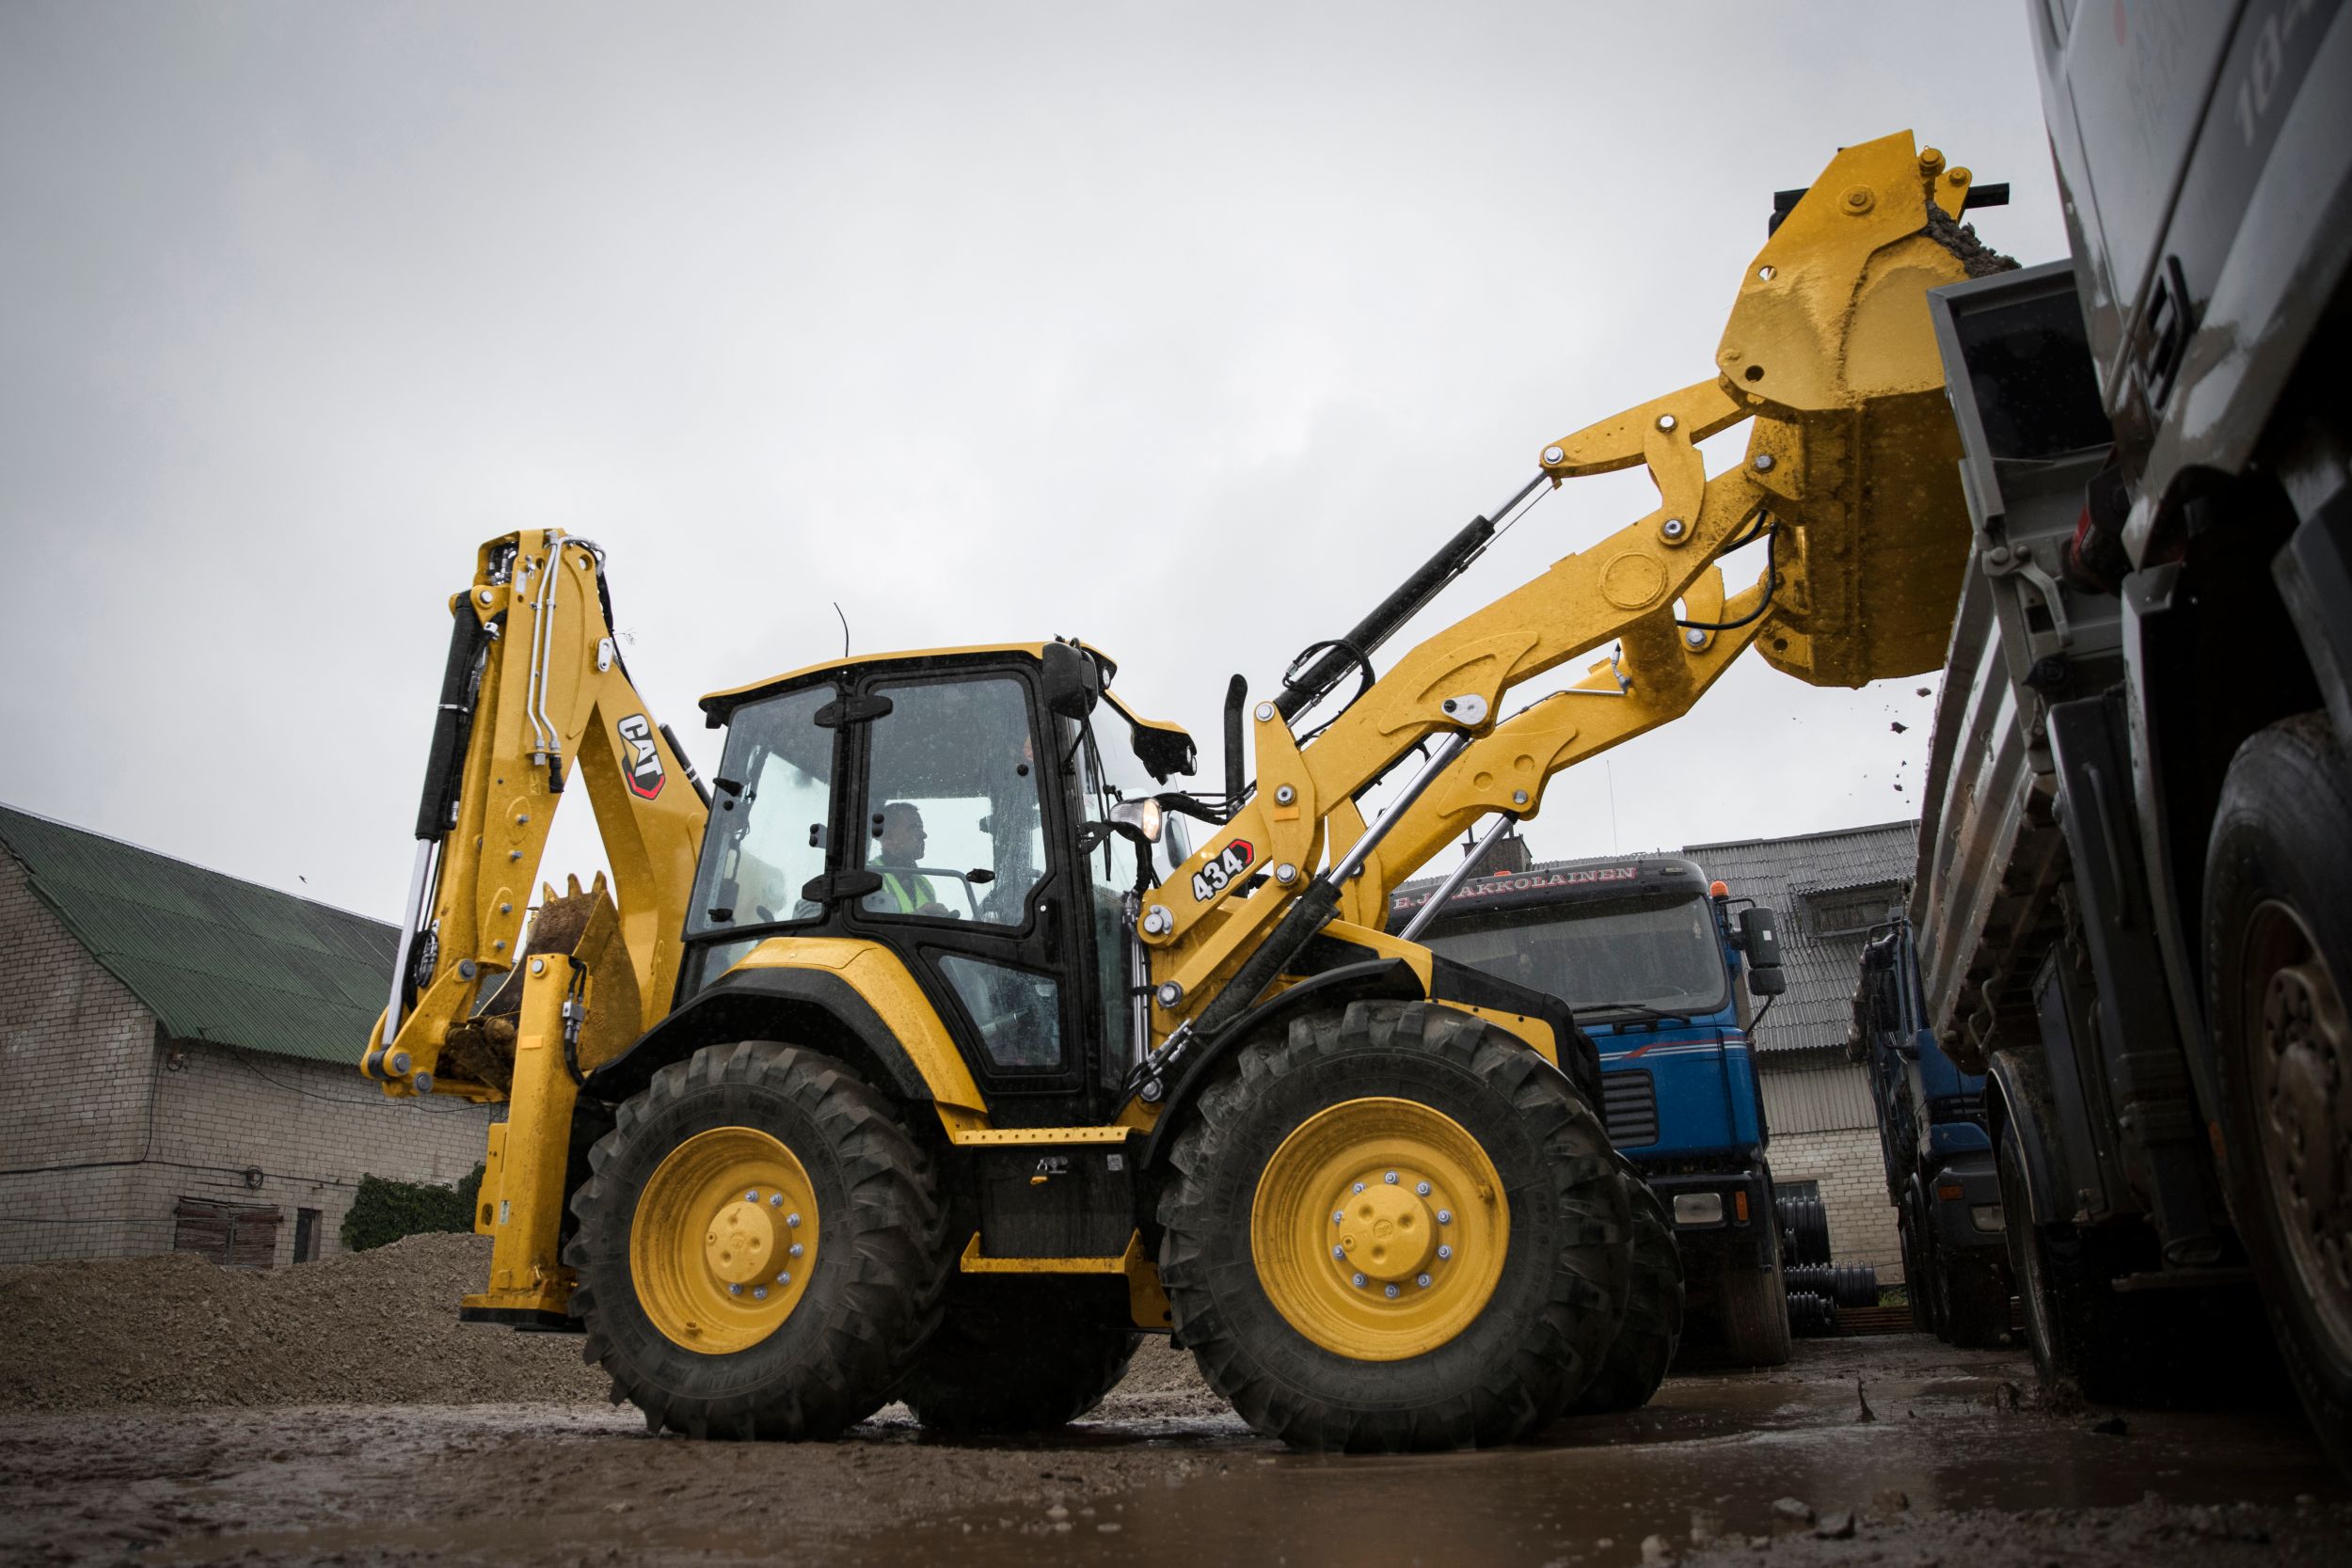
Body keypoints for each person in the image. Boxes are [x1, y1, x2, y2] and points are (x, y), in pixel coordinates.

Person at [867, 801, 954, 917]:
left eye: (921, 827)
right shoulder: (868, 877)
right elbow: (866, 929)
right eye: (914, 828)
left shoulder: (924, 884)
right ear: (888, 838)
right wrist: (917, 917)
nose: (924, 835)